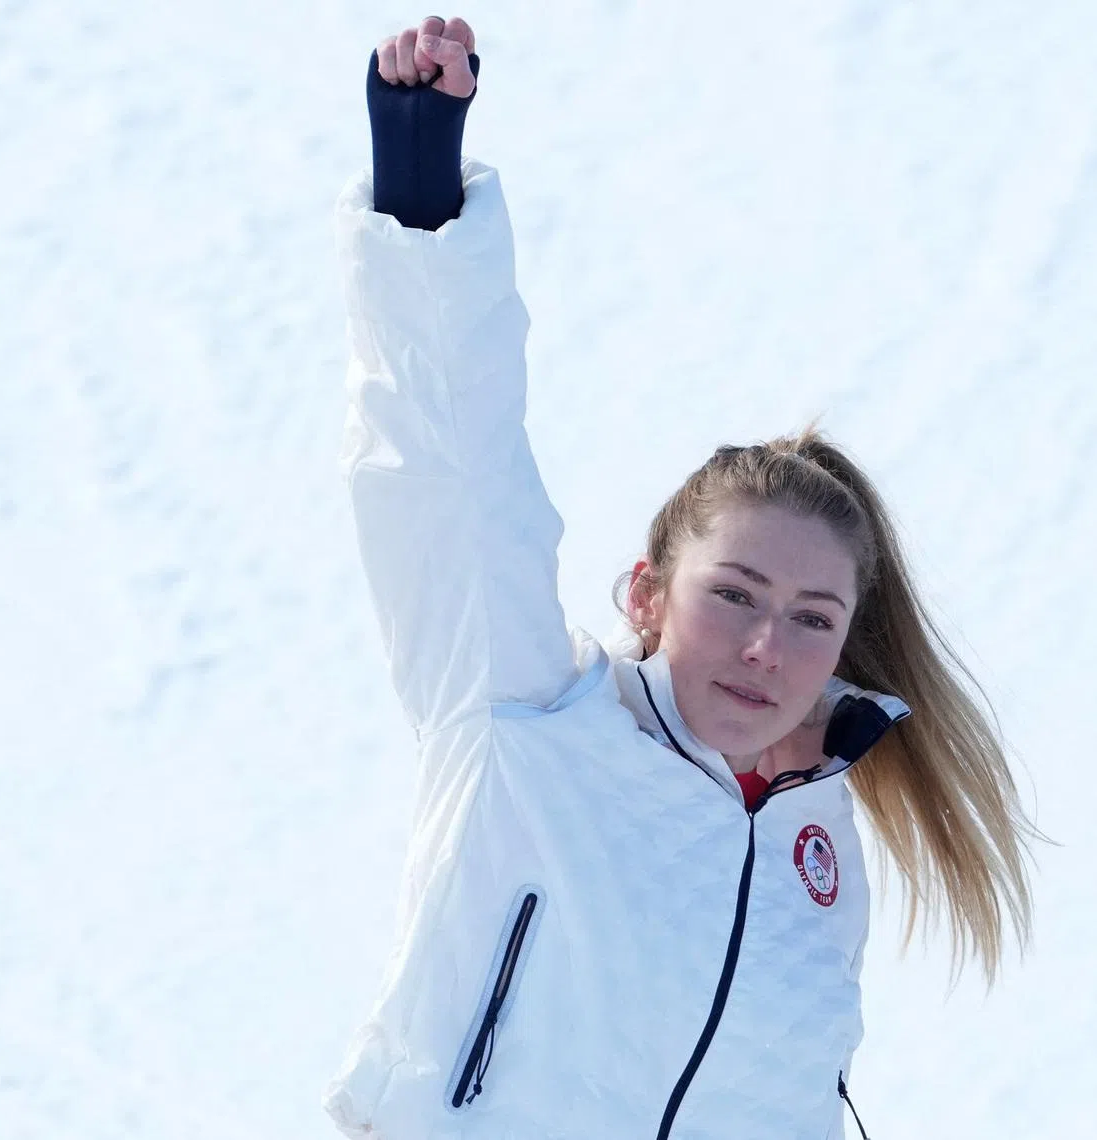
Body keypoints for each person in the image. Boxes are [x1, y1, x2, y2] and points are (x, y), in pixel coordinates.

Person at [324, 16, 1038, 1139]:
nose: (769, 647)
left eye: (812, 617)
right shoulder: (527, 716)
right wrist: (423, 198)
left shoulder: (821, 857)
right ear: (646, 594)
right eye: (736, 594)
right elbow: (450, 473)